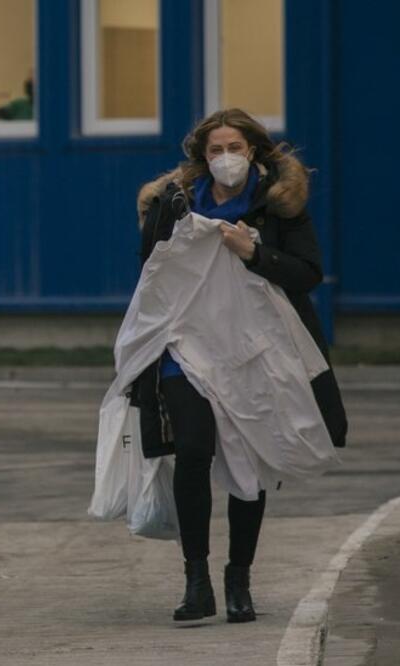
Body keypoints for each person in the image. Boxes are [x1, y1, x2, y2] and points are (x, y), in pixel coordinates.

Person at [133, 108, 347, 623]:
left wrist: (254, 253)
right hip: (185, 348)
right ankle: (196, 579)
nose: (225, 158)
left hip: (254, 353)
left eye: (234, 148)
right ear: (201, 157)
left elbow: (308, 273)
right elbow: (150, 270)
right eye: (215, 150)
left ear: (253, 151)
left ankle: (239, 578)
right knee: (192, 448)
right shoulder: (176, 203)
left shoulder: (278, 206)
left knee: (248, 465)